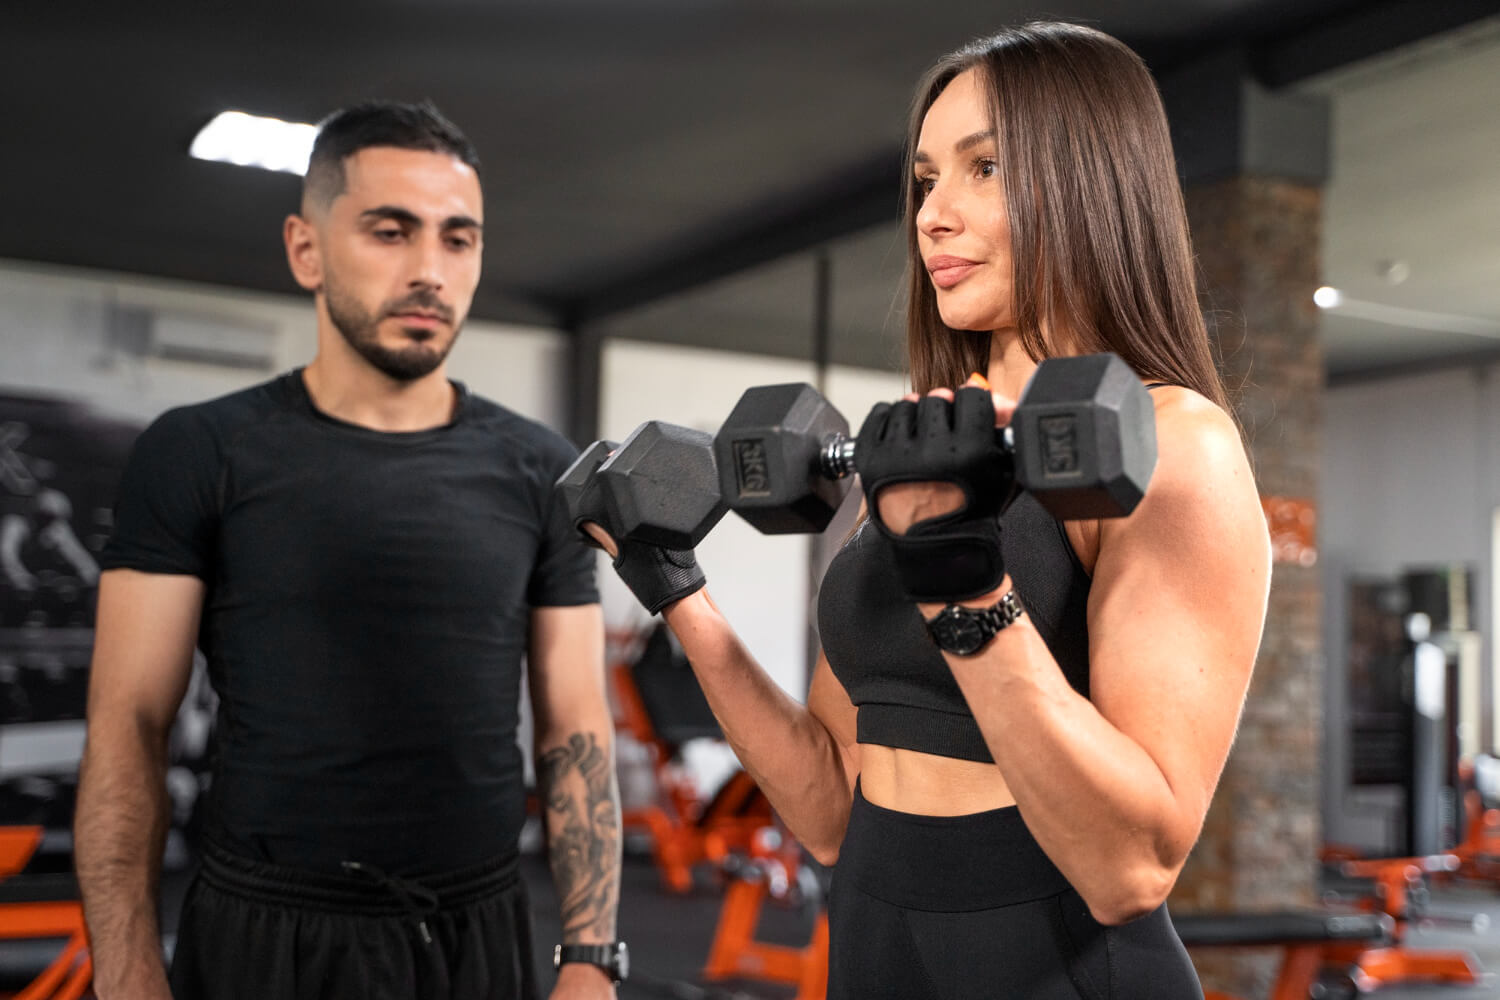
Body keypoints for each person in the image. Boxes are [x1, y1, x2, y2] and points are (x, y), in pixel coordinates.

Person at [582, 22, 1270, 999]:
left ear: (1091, 183)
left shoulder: (1174, 442)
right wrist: (674, 587)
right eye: (924, 179)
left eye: (983, 168)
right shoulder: (927, 448)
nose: (933, 214)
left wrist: (961, 576)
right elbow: (827, 804)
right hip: (872, 941)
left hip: (1057, 966)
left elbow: (1133, 865)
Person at [75, 101, 625, 1000]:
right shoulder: (200, 452)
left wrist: (592, 957)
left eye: (459, 240)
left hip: (476, 933)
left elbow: (574, 726)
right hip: (268, 933)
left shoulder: (540, 469)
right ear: (305, 249)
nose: (429, 271)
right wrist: (127, 970)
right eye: (390, 231)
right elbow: (129, 723)